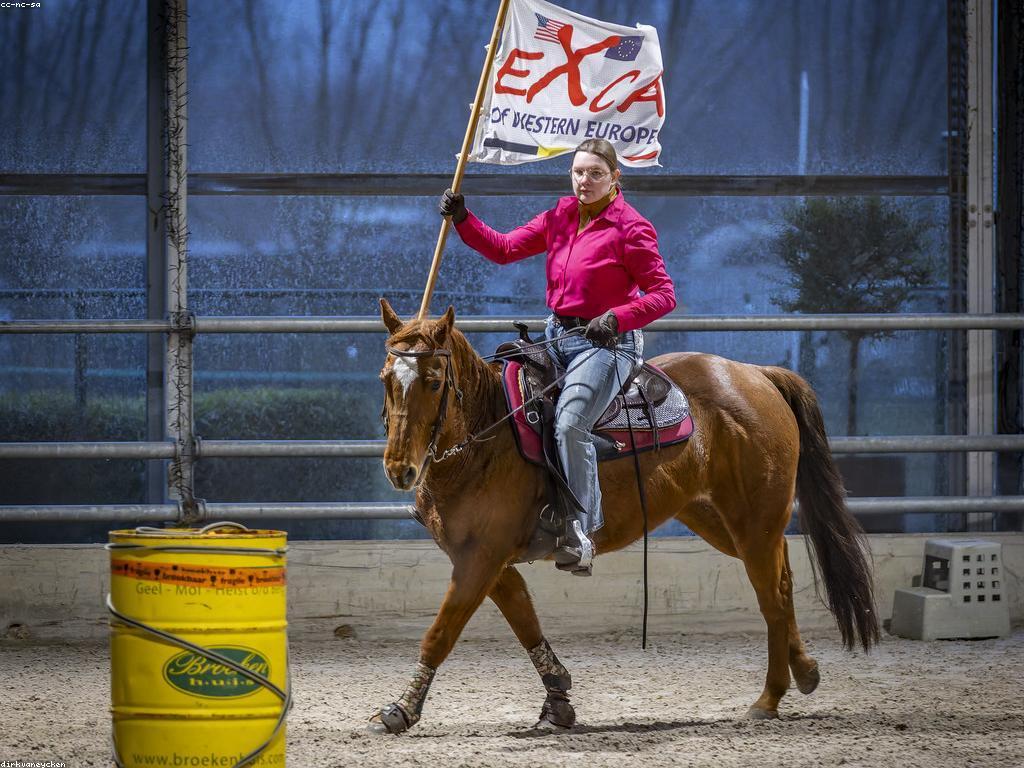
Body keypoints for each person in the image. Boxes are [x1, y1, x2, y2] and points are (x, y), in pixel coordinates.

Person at [438, 138, 676, 575]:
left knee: (569, 423)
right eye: (578, 172)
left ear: (615, 177)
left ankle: (581, 535)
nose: (585, 181)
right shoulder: (560, 216)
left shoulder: (632, 228)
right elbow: (504, 249)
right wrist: (463, 220)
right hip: (557, 337)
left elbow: (664, 294)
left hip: (607, 345)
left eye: (595, 174)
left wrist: (618, 317)